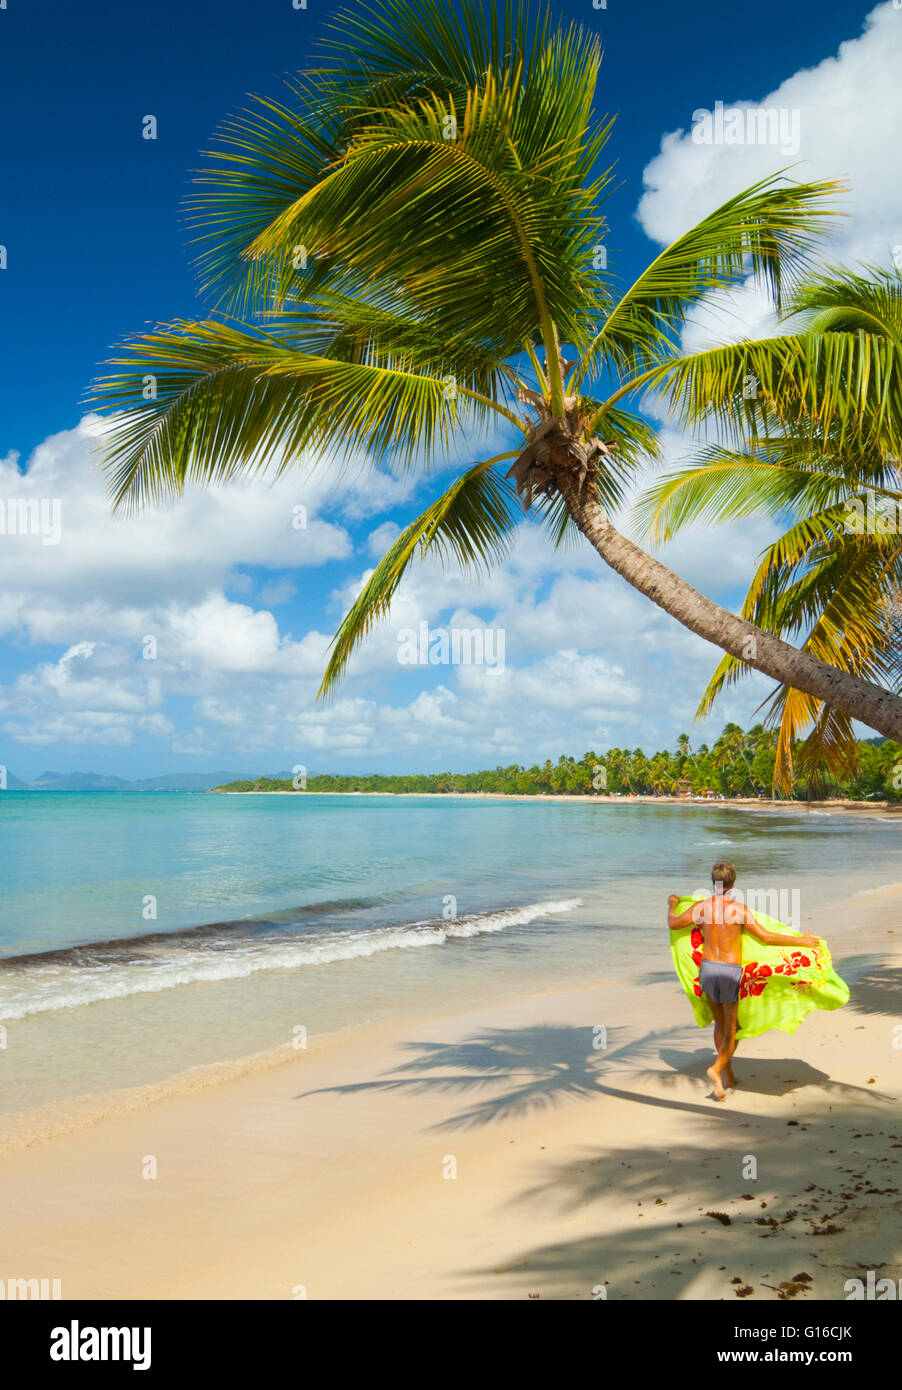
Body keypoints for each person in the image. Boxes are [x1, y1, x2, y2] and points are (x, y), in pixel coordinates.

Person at [667, 861, 819, 1102]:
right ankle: (716, 1069)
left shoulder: (701, 908)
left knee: (719, 1024)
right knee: (732, 1028)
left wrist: (673, 905)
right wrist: (802, 941)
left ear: (713, 882)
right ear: (733, 882)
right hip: (729, 971)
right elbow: (767, 938)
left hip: (707, 969)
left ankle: (729, 1075)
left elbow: (673, 924)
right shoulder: (739, 910)